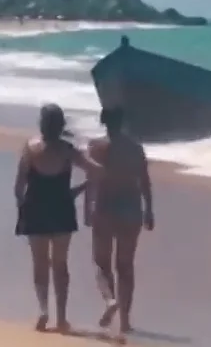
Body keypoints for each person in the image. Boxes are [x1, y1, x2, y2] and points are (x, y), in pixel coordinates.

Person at [13, 104, 101, 332]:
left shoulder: (30, 148)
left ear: (41, 123)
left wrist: (22, 209)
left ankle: (43, 310)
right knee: (60, 265)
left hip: (35, 211)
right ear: (61, 125)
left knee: (40, 264)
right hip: (61, 211)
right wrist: (81, 189)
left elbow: (19, 186)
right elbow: (95, 170)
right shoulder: (67, 150)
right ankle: (61, 318)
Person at [85, 107, 154, 333]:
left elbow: (92, 179)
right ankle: (125, 321)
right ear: (123, 121)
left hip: (104, 208)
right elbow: (144, 181)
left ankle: (109, 301)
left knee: (101, 263)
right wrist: (149, 210)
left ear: (103, 121)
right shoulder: (136, 149)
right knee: (125, 267)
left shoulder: (95, 147)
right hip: (131, 210)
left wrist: (87, 208)